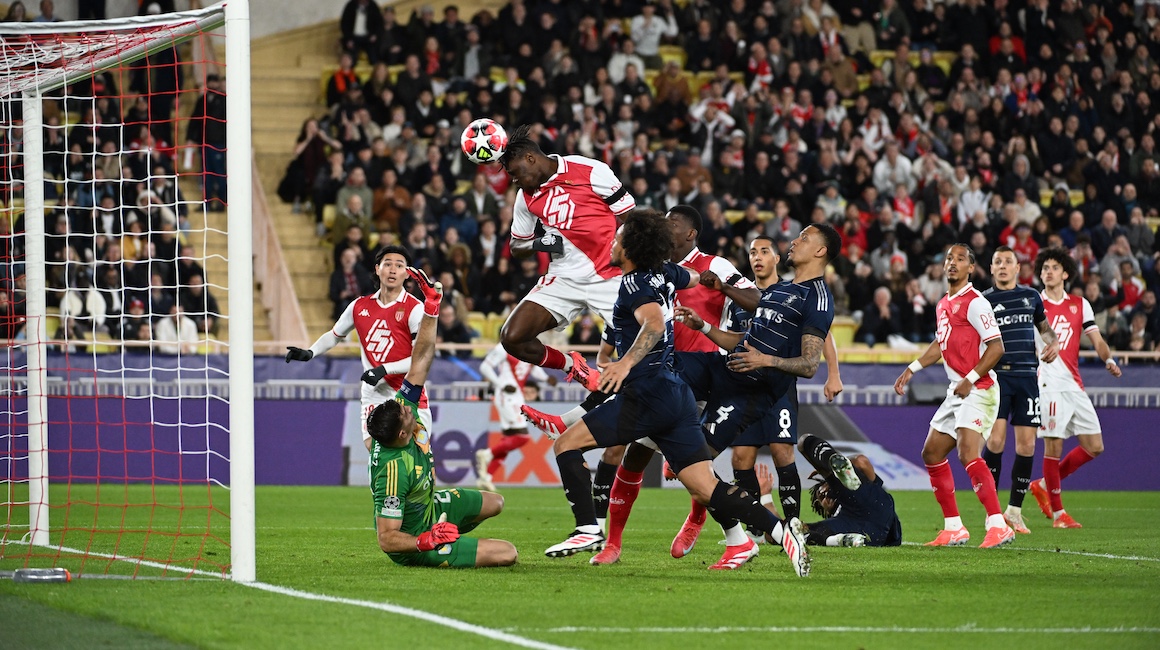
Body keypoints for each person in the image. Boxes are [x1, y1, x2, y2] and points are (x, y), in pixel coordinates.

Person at [543, 209, 811, 577]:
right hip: (676, 394)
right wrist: (705, 280)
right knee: (705, 486)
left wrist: (625, 363)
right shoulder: (665, 272)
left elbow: (653, 324)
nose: (611, 242)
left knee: (566, 445)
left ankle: (588, 528)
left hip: (647, 393)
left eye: (618, 238)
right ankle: (779, 534)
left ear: (631, 247)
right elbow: (694, 276)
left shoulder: (636, 283)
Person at [370, 267, 517, 568]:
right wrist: (426, 540)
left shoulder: (400, 414)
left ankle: (446, 529)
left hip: (430, 507)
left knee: (496, 503)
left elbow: (421, 357)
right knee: (508, 553)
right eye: (406, 413)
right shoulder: (393, 472)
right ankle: (443, 542)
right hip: (414, 541)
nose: (409, 407)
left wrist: (431, 308)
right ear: (402, 434)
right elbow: (387, 538)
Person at [894, 243, 1015, 549]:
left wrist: (971, 378)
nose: (952, 263)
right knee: (932, 452)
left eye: (960, 259)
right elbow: (941, 342)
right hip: (958, 389)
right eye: (949, 257)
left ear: (971, 268)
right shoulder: (944, 303)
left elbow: (996, 347)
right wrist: (912, 368)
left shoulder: (975, 302)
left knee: (966, 451)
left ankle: (998, 524)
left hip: (980, 387)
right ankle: (954, 528)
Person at [497, 124, 636, 389]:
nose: (514, 181)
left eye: (515, 174)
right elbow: (517, 246)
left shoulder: (591, 170)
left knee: (645, 349)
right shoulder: (524, 197)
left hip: (608, 275)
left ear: (531, 158)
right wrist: (540, 243)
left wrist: (626, 258)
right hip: (562, 278)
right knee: (512, 337)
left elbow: (629, 215)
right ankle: (575, 367)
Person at [286, 246, 429, 452]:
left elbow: (419, 359)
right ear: (377, 269)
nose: (392, 270)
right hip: (374, 392)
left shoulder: (415, 309)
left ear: (407, 273)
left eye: (399, 266)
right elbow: (334, 335)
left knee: (418, 455)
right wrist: (311, 352)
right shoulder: (358, 306)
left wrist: (383, 369)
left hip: (407, 391)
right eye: (387, 264)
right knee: (376, 452)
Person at [1028, 248, 1122, 528]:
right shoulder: (1034, 302)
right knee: (1053, 446)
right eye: (1044, 268)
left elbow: (1096, 338)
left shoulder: (1080, 304)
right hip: (1048, 383)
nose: (1048, 272)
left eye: (1054, 267)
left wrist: (1108, 358)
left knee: (1095, 445)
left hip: (1074, 384)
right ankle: (1059, 515)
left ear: (1066, 273)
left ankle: (1044, 484)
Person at [980, 246, 1061, 534]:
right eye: (997, 262)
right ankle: (992, 511)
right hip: (998, 377)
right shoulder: (983, 301)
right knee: (996, 442)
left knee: (1027, 445)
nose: (1002, 266)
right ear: (991, 269)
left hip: (1027, 378)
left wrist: (1054, 343)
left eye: (1008, 262)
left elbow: (1045, 329)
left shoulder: (1031, 297)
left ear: (1017, 268)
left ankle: (1014, 511)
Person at [755, 433, 902, 548]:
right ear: (826, 512)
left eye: (823, 490)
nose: (825, 495)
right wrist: (765, 494)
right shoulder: (836, 520)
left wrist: (826, 469)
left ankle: (832, 462)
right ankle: (831, 460)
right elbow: (775, 532)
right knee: (793, 532)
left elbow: (861, 462)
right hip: (870, 534)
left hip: (869, 511)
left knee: (804, 441)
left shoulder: (858, 489)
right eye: (822, 498)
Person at [474, 343, 557, 491]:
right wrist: (500, 384)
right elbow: (484, 367)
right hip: (506, 396)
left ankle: (486, 477)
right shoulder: (504, 347)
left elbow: (532, 367)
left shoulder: (528, 346)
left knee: (508, 440)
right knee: (522, 437)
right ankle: (486, 454)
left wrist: (545, 379)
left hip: (517, 396)